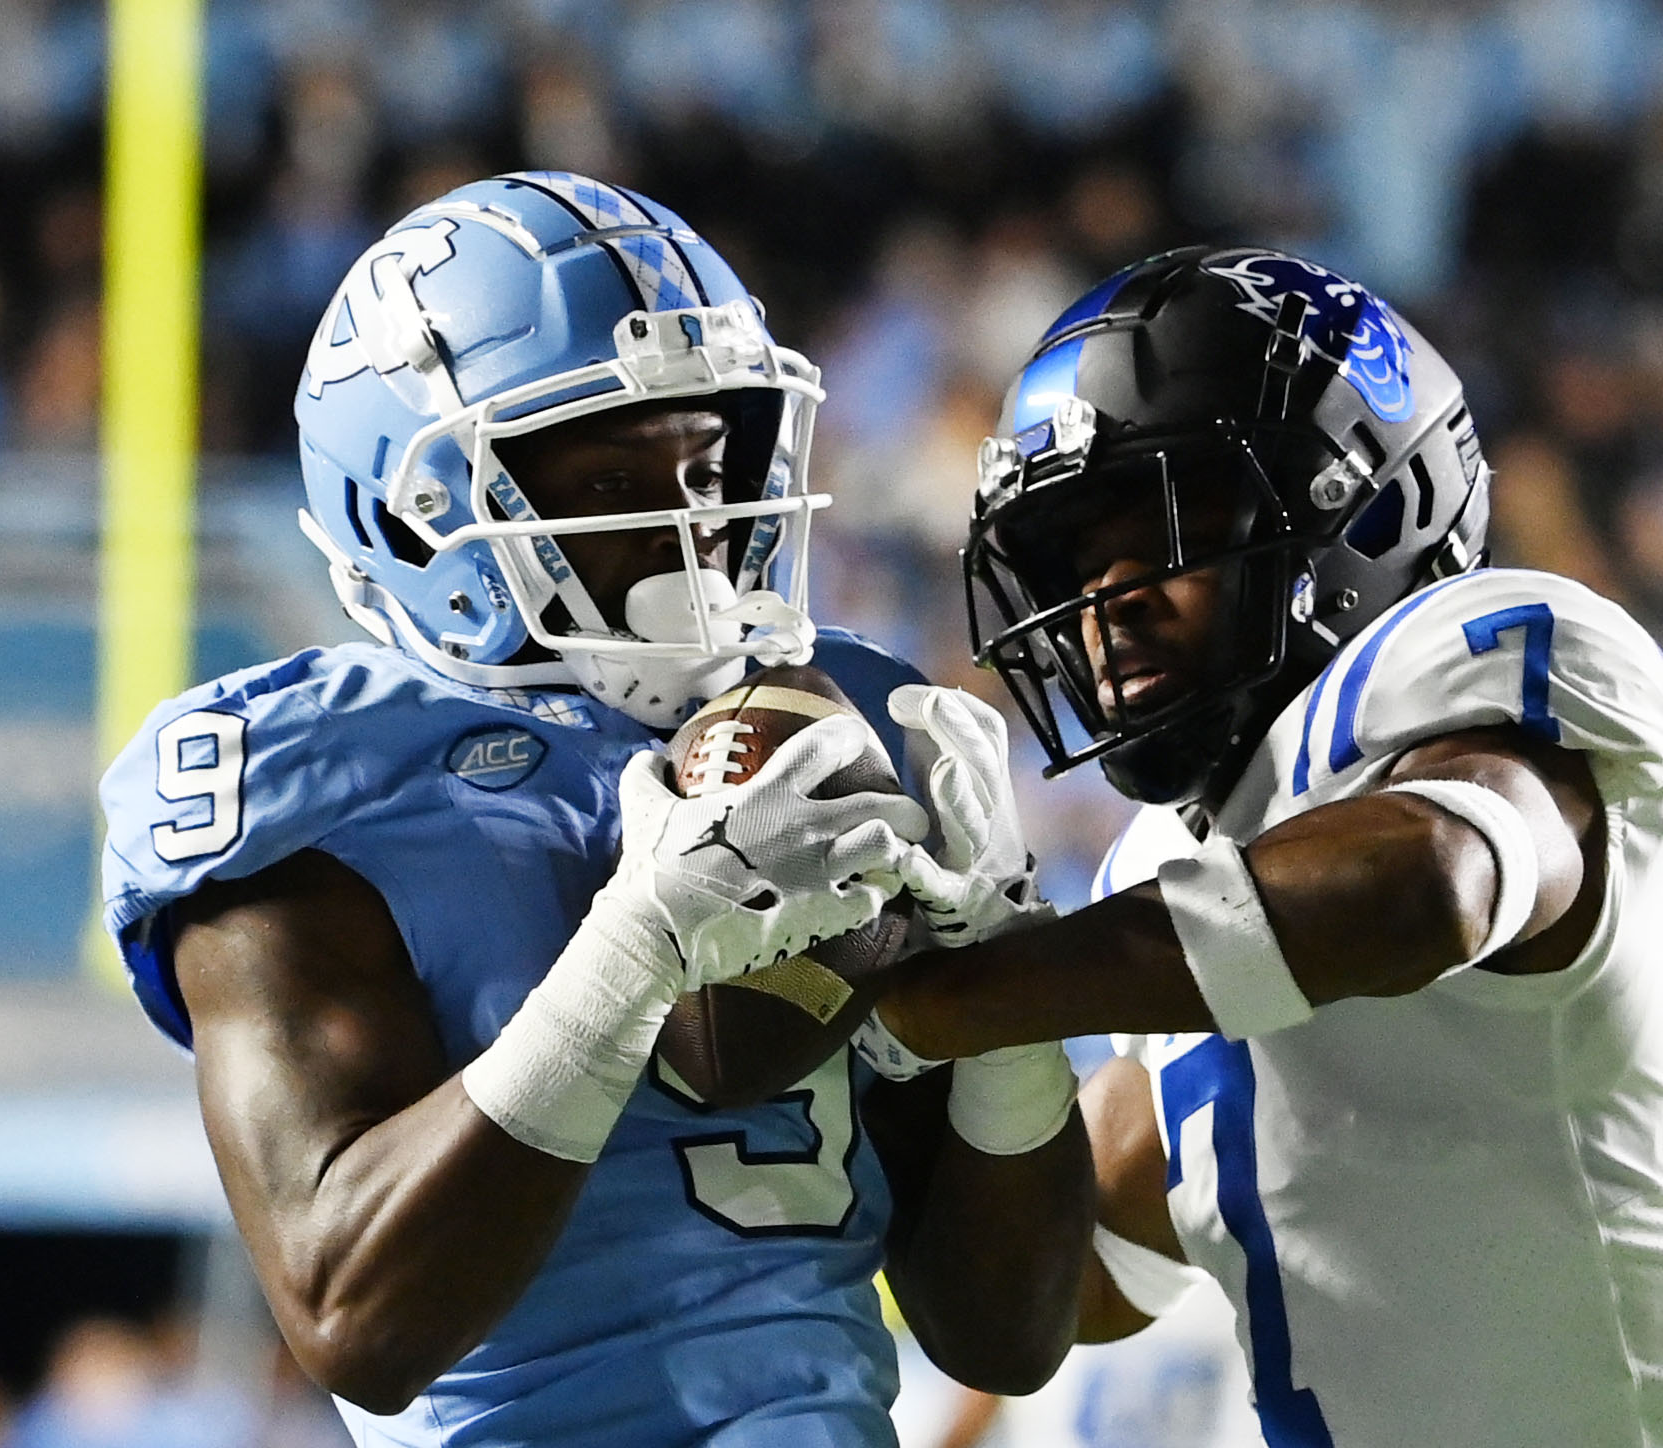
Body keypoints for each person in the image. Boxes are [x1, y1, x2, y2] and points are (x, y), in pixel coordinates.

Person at [97, 171, 1091, 1447]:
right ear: (420, 512)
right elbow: (356, 1313)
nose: (694, 517)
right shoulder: (314, 784)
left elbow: (1008, 1331)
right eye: (617, 471)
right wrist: (634, 952)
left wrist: (1003, 995)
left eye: (710, 455)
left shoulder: (819, 719)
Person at [855, 246, 1663, 1446]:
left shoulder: (1486, 655)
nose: (1109, 599)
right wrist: (857, 1042)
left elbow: (1429, 882)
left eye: (1169, 526)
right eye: (1076, 560)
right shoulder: (1161, 871)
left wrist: (949, 996)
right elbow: (1050, 1293)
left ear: (1367, 507)